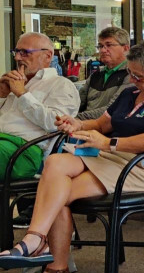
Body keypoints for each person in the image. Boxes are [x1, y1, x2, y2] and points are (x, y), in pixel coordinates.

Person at [0, 41, 144, 273]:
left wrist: (109, 143)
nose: (132, 79)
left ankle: (55, 271)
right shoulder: (130, 94)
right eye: (130, 73)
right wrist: (77, 124)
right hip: (108, 159)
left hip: (142, 167)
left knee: (58, 195)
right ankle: (36, 240)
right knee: (55, 163)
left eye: (138, 76)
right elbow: (101, 124)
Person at [13, 28, 133, 229]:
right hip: (83, 129)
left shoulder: (131, 76)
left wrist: (73, 120)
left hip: (107, 132)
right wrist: (71, 120)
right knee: (51, 137)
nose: (103, 50)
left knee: (54, 144)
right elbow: (81, 101)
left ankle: (38, 204)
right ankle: (37, 202)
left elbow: (110, 110)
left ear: (126, 48)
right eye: (100, 46)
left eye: (109, 45)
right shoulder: (97, 75)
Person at [0, 33, 80, 182]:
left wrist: (22, 94)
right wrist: (2, 95)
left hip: (24, 151)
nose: (17, 58)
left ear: (47, 56)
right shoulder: (15, 81)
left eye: (24, 52)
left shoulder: (61, 85)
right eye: (16, 52)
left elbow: (55, 123)